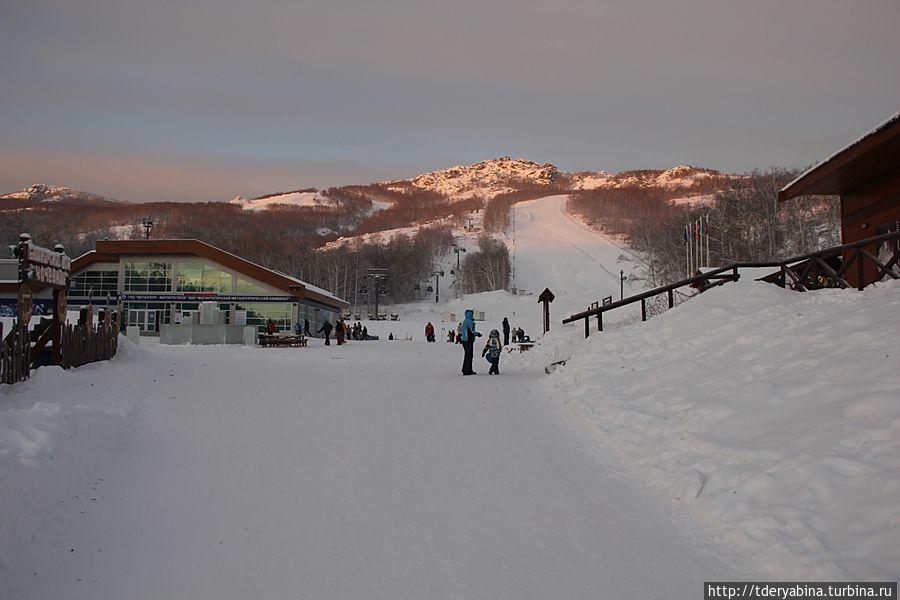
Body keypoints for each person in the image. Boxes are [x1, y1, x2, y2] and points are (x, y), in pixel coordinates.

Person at [459, 308, 481, 375]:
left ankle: (467, 369)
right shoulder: (469, 322)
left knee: (467, 355)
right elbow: (472, 331)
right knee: (469, 355)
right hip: (468, 340)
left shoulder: (465, 321)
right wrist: (478, 334)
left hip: (465, 340)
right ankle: (467, 370)